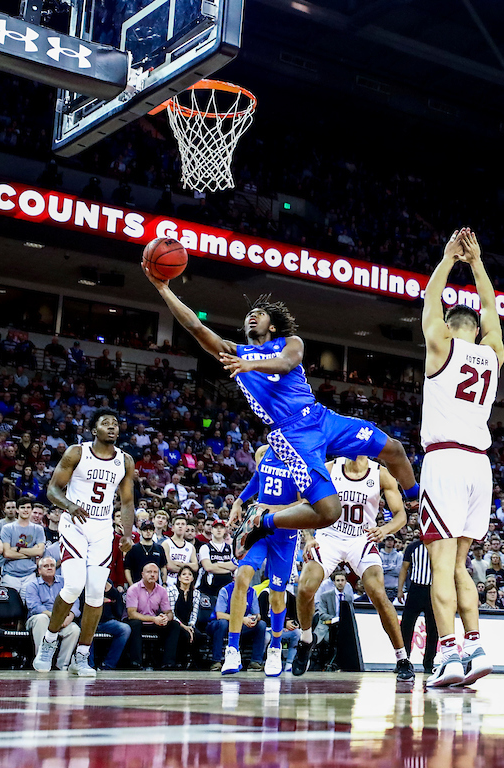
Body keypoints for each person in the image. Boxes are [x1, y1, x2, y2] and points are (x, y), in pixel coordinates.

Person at [145, 264, 421, 546]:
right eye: (249, 315)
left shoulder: (290, 342)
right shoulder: (233, 352)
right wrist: (163, 288)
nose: (253, 316)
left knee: (394, 449)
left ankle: (414, 500)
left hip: (320, 416)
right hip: (292, 434)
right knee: (329, 512)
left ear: (272, 325)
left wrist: (249, 364)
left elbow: (287, 363)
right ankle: (261, 520)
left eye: (260, 314)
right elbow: (194, 326)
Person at [419, 229, 503, 688]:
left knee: (440, 565)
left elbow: (429, 302)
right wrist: (477, 265)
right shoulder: (493, 354)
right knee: (459, 565)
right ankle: (476, 646)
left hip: (446, 461)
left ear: (452, 326)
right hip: (479, 466)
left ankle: (448, 655)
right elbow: (492, 312)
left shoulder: (442, 347)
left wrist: (449, 259)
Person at [33, 409, 135, 677]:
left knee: (94, 595)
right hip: (74, 523)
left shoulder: (125, 460)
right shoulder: (77, 452)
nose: (112, 427)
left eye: (115, 423)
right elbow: (53, 489)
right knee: (74, 584)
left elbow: (126, 501)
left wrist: (126, 533)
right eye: (105, 423)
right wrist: (70, 505)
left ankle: (82, 655)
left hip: (102, 528)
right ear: (94, 430)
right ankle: (49, 641)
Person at [294, 455, 414, 680]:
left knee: (378, 593)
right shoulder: (330, 468)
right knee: (305, 587)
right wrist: (309, 536)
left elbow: (401, 515)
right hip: (329, 535)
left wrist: (386, 529)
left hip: (362, 538)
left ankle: (402, 658)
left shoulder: (380, 473)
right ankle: (306, 639)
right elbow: (305, 503)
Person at [220, 446, 303, 677]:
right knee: (241, 578)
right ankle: (232, 649)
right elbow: (258, 479)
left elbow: (306, 502)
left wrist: (274, 510)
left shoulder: (302, 458)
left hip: (285, 535)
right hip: (258, 530)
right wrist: (239, 501)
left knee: (277, 595)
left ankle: (275, 647)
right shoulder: (264, 452)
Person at [22, 557, 81, 671]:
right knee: (41, 618)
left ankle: (62, 665)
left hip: (62, 620)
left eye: (52, 565)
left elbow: (75, 601)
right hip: (39, 619)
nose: (49, 568)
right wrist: (57, 617)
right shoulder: (32, 585)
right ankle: (42, 660)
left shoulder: (64, 583)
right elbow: (34, 607)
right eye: (46, 566)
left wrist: (71, 616)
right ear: (39, 570)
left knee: (74, 629)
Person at [125, 563, 180, 670]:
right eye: (149, 572)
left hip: (155, 622)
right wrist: (154, 619)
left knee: (174, 625)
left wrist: (166, 618)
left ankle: (168, 663)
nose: (152, 575)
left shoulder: (162, 590)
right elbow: (132, 614)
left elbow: (169, 612)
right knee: (135, 624)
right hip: (139, 621)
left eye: (155, 572)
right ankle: (136, 662)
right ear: (142, 574)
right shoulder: (133, 589)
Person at [398, 536, 437, 674]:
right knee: (406, 627)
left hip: (433, 590)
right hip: (415, 589)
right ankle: (403, 661)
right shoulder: (413, 547)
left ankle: (429, 663)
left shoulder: (439, 546)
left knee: (433, 630)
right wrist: (400, 589)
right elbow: (404, 569)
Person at [209, 577, 266, 671]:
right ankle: (216, 661)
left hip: (242, 624)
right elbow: (219, 615)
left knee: (261, 624)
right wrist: (241, 619)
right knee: (222, 624)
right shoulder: (225, 590)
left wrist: (254, 619)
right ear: (234, 579)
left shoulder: (252, 592)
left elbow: (257, 614)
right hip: (221, 623)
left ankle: (255, 662)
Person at [0, 498, 45, 591]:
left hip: (30, 574)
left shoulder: (38, 529)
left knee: (28, 605)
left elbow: (40, 552)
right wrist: (31, 552)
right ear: (17, 510)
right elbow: (7, 553)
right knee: (11, 605)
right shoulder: (7, 528)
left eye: (28, 507)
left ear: (32, 510)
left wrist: (17, 549)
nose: (25, 510)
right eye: (22, 507)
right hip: (10, 574)